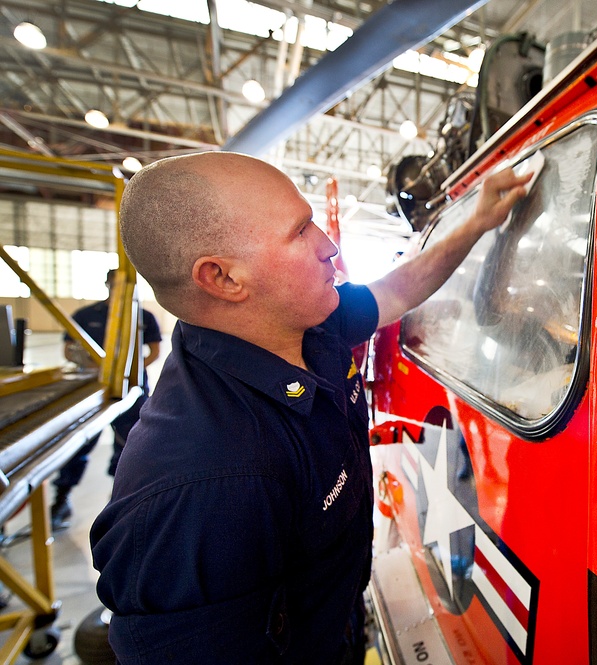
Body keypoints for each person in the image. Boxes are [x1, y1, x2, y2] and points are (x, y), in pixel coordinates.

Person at [89, 151, 530, 664]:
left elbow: (397, 290)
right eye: (300, 232)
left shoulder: (303, 322)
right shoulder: (199, 487)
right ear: (225, 278)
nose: (329, 245)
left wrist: (477, 220)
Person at [53, 268, 161, 529]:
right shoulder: (86, 315)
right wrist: (98, 370)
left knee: (129, 449)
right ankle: (61, 499)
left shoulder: (143, 317)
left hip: (131, 392)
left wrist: (128, 372)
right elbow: (69, 349)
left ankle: (120, 500)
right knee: (79, 445)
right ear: (107, 285)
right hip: (91, 394)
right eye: (115, 285)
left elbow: (154, 352)